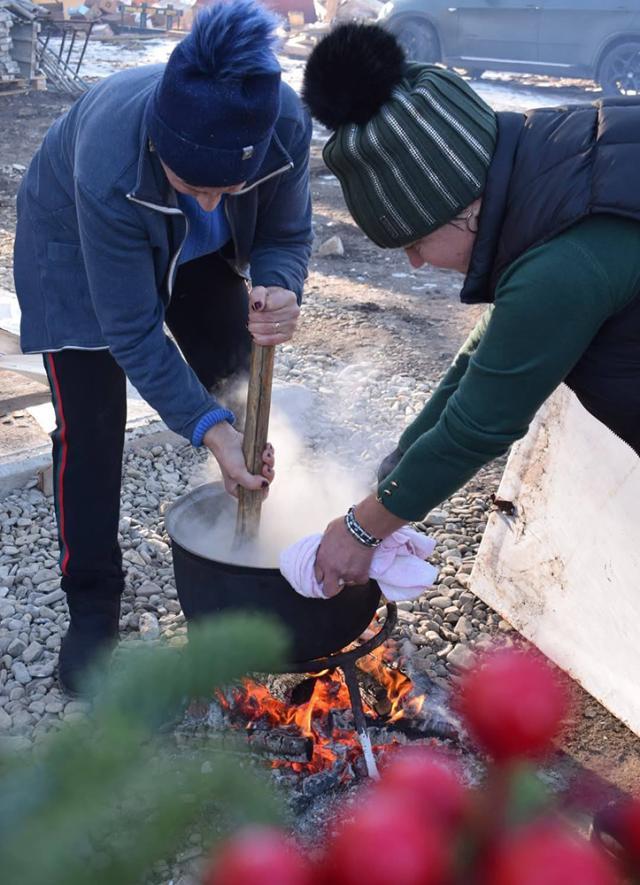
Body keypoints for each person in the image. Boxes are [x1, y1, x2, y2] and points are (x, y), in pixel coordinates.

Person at [13, 0, 312, 693]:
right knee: (91, 432)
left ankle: (267, 543)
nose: (211, 203)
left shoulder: (283, 123)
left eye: (226, 187)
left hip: (193, 256)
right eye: (192, 184)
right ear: (158, 144)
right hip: (77, 249)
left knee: (238, 380)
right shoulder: (111, 153)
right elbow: (131, 329)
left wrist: (278, 283)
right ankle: (92, 607)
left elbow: (286, 235)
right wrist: (207, 428)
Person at [301, 22, 640, 596]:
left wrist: (362, 529)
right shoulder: (547, 161)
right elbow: (484, 354)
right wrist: (396, 472)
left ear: (459, 210)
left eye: (412, 242)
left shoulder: (563, 260)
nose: (412, 263)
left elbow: (481, 424)